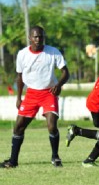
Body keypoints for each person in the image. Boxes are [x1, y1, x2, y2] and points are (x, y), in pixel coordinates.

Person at [0, 25, 69, 168]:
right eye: (36, 37)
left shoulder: (53, 52)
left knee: (51, 126)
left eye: (41, 36)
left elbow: (65, 73)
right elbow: (19, 77)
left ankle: (55, 157)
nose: (39, 39)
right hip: (31, 93)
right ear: (30, 38)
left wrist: (59, 85)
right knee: (18, 127)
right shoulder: (22, 54)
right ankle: (13, 161)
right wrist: (19, 97)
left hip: (49, 93)